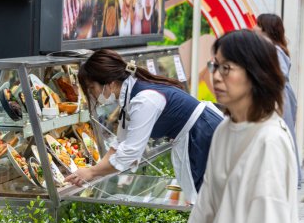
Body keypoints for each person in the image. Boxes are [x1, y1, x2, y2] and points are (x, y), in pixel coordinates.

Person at [176, 29, 301, 223]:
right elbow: (205, 209)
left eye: (226, 68)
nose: (215, 76)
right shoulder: (224, 129)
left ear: (255, 73)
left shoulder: (269, 140)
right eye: (214, 66)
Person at [65, 49, 223, 204]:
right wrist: (92, 172)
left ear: (110, 84)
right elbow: (120, 142)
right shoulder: (132, 93)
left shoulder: (143, 100)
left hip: (203, 134)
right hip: (201, 131)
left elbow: (131, 151)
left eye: (92, 88)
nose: (92, 94)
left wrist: (92, 172)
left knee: (209, 201)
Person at [253, 13, 301, 187]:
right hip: (278, 97)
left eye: (257, 24)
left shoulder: (272, 49)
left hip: (277, 98)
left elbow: (278, 75)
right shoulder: (274, 47)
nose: (254, 27)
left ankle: (285, 179)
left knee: (280, 135)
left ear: (265, 29)